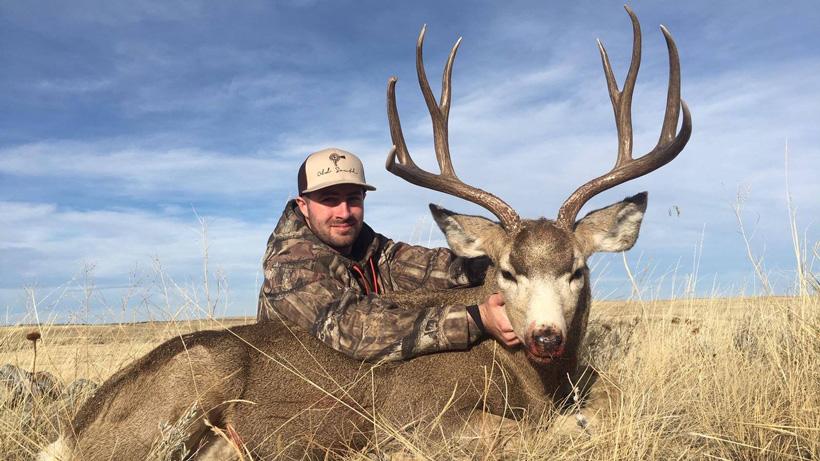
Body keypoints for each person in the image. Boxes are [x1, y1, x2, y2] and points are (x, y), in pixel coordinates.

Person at [257, 147, 519, 362]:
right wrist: (477, 318)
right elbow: (355, 330)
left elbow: (430, 268)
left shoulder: (368, 247)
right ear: (303, 206)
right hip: (300, 396)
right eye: (329, 199)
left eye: (353, 199)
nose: (344, 212)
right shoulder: (289, 267)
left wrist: (504, 261)